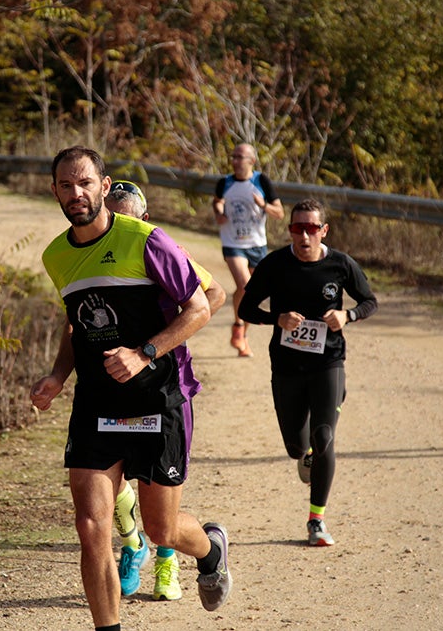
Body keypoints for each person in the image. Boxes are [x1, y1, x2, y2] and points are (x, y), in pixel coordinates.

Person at [30, 147, 232, 630]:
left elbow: (201, 307)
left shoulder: (147, 241)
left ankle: (211, 547)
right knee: (91, 527)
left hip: (158, 398)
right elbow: (75, 324)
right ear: (54, 191)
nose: (75, 193)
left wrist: (144, 352)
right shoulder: (56, 255)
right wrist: (58, 375)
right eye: (65, 185)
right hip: (98, 403)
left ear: (103, 184)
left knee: (161, 528)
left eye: (84, 183)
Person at [105, 179, 226, 602]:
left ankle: (168, 558)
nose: (120, 224)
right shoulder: (91, 252)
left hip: (163, 386)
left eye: (127, 217)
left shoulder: (159, 247)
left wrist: (162, 340)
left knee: (161, 497)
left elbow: (214, 293)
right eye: (113, 215)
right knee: (111, 481)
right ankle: (133, 544)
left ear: (144, 218)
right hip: (109, 388)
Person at [238, 198, 377, 547]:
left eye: (311, 228)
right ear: (290, 231)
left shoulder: (341, 265)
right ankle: (306, 455)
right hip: (286, 366)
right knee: (295, 445)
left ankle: (317, 521)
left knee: (325, 435)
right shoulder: (274, 265)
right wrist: (277, 318)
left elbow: (369, 301)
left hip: (328, 361)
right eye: (297, 228)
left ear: (323, 231)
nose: (304, 235)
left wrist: (348, 316)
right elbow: (245, 307)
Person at [212, 143, 284, 357]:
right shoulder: (224, 182)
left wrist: (263, 205)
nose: (235, 160)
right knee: (244, 284)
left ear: (251, 160)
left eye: (240, 157)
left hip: (257, 244)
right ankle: (238, 324)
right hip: (233, 244)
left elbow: (279, 212)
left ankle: (241, 332)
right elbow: (217, 203)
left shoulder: (261, 182)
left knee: (252, 292)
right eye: (233, 156)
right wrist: (219, 212)